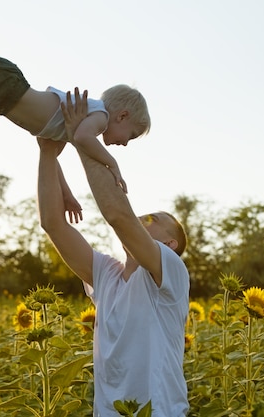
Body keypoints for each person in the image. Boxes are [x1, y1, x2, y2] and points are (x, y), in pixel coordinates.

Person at [37, 90, 190, 416]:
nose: (143, 217)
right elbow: (53, 223)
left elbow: (118, 214)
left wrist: (82, 137)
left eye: (154, 219)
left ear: (171, 244)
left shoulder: (170, 272)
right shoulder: (106, 275)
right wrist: (48, 153)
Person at [0, 0, 151, 213]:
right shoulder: (98, 116)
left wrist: (67, 194)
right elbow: (83, 138)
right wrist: (113, 164)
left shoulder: (70, 125)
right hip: (5, 86)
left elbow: (54, 157)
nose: (124, 143)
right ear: (122, 116)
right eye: (130, 135)